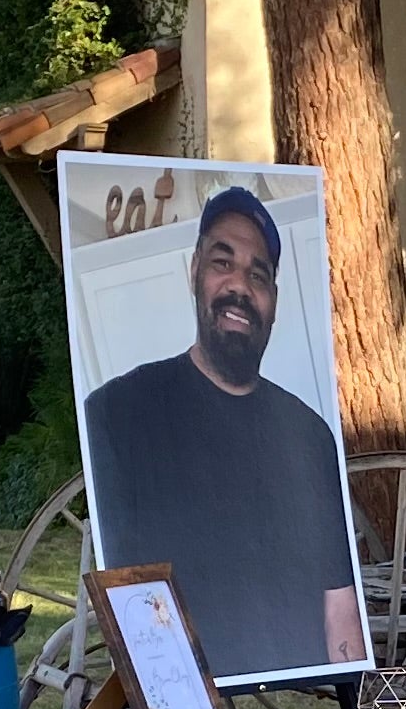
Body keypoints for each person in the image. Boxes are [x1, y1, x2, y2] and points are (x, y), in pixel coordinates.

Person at [80, 184, 369, 681]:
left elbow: (338, 600)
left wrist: (358, 706)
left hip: (289, 673)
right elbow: (122, 592)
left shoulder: (309, 436)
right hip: (175, 684)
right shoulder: (117, 413)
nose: (240, 286)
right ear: (194, 272)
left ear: (273, 302)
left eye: (258, 276)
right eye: (223, 263)